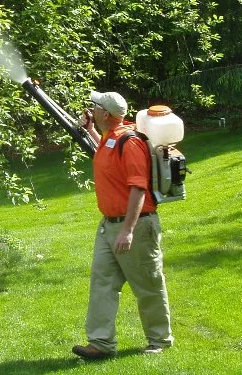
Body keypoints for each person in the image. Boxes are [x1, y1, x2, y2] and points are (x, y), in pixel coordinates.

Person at [71, 90, 174, 359]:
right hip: (108, 226)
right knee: (102, 283)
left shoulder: (130, 143)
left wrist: (127, 230)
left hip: (136, 226)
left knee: (148, 285)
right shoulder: (109, 138)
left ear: (106, 113)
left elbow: (138, 189)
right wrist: (91, 130)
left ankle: (159, 340)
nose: (90, 109)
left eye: (94, 107)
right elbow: (104, 150)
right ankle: (101, 344)